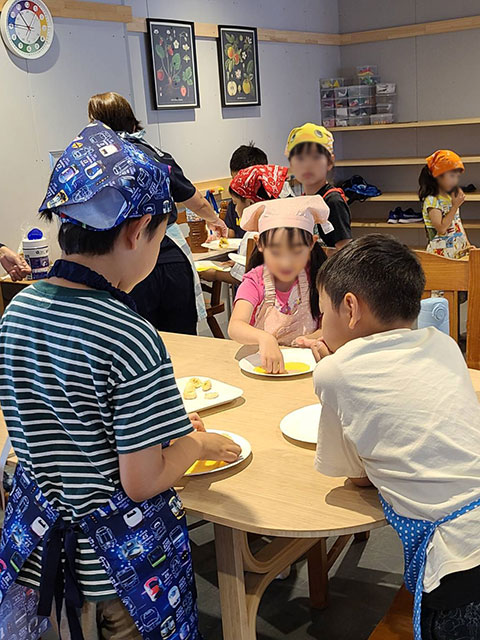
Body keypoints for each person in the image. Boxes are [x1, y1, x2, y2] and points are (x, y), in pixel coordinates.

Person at [0, 122, 240, 639]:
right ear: (138, 230)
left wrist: (159, 432)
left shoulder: (18, 311)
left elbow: (67, 423)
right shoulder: (128, 334)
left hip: (41, 552)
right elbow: (141, 481)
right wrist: (194, 443)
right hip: (118, 570)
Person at [312, 234, 480, 640]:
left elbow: (354, 476)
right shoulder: (444, 344)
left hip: (456, 569)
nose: (320, 324)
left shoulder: (334, 372)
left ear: (350, 308)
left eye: (322, 311)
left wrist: (333, 368)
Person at [88, 92, 228, 334]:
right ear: (130, 120)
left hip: (127, 263)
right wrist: (215, 220)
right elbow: (195, 200)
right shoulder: (155, 155)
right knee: (184, 338)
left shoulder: (93, 163)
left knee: (138, 339)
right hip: (171, 257)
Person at [228, 195, 330, 374]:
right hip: (261, 366)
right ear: (259, 243)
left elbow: (329, 326)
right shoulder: (255, 281)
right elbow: (235, 326)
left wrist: (310, 339)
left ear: (312, 243)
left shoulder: (318, 279)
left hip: (306, 368)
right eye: (276, 251)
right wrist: (264, 338)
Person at [201, 164, 294, 287]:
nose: (235, 209)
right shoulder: (286, 225)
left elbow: (241, 277)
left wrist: (214, 275)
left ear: (250, 203)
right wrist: (237, 263)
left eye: (235, 203)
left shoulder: (254, 234)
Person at [286, 122, 352, 249]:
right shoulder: (303, 200)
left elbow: (344, 250)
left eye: (315, 158)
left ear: (329, 162)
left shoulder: (333, 201)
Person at [419, 149, 471, 259]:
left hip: (458, 251)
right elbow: (441, 229)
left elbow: (457, 223)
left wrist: (468, 245)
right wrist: (455, 206)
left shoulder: (450, 196)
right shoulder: (432, 200)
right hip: (441, 256)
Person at [224, 142, 268, 238]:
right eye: (234, 180)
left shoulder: (273, 207)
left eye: (241, 183)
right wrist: (219, 236)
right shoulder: (235, 204)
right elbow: (230, 234)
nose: (236, 189)